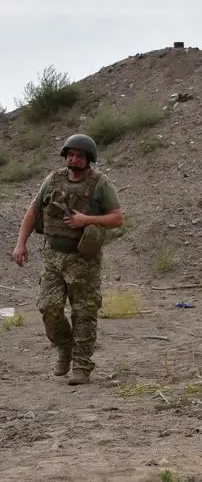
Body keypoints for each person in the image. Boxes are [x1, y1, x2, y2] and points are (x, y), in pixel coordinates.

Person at [12, 133, 124, 385]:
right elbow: (34, 212)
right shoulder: (53, 180)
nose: (74, 160)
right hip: (53, 257)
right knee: (48, 307)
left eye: (79, 156)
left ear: (89, 159)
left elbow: (117, 218)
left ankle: (82, 366)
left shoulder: (100, 184)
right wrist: (21, 243)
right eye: (70, 155)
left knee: (84, 312)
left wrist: (86, 220)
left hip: (83, 260)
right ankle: (64, 348)